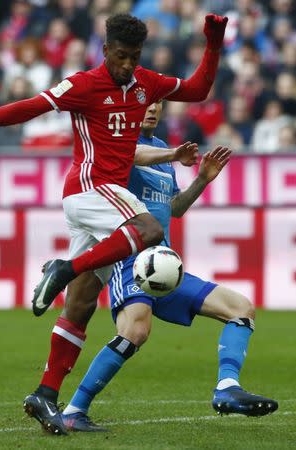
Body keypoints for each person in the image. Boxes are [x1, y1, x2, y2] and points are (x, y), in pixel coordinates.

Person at [0, 13, 228, 435]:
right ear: (105, 51)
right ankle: (62, 269)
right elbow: (28, 108)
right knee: (150, 230)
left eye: (133, 58)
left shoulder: (145, 83)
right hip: (89, 189)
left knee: (80, 304)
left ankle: (44, 393)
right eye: (120, 57)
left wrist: (214, 40)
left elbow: (198, 88)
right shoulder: (83, 84)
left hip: (106, 202)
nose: (126, 66)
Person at [61, 101, 279, 432]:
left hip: (165, 263)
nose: (152, 109)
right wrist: (175, 155)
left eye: (158, 104)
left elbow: (173, 208)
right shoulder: (122, 141)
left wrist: (202, 180)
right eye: (145, 103)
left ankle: (226, 388)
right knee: (135, 330)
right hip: (129, 259)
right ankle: (74, 410)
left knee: (241, 308)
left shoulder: (163, 149)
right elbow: (132, 156)